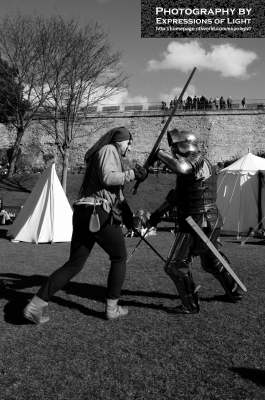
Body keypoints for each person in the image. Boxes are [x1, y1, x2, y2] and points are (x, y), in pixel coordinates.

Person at [23, 127, 148, 324]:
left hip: (84, 212)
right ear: (119, 141)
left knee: (74, 264)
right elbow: (109, 178)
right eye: (128, 142)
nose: (130, 147)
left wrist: (129, 217)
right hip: (96, 212)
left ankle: (35, 305)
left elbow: (117, 196)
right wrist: (133, 174)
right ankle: (112, 309)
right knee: (119, 257)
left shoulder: (109, 154)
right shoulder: (109, 150)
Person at [148, 129, 243, 314]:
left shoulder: (196, 159)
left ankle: (190, 305)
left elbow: (181, 167)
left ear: (183, 144)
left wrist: (159, 153)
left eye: (174, 146)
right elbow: (177, 197)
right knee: (211, 262)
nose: (173, 150)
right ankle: (235, 293)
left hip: (198, 222)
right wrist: (157, 214)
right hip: (205, 221)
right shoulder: (193, 164)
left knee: (175, 265)